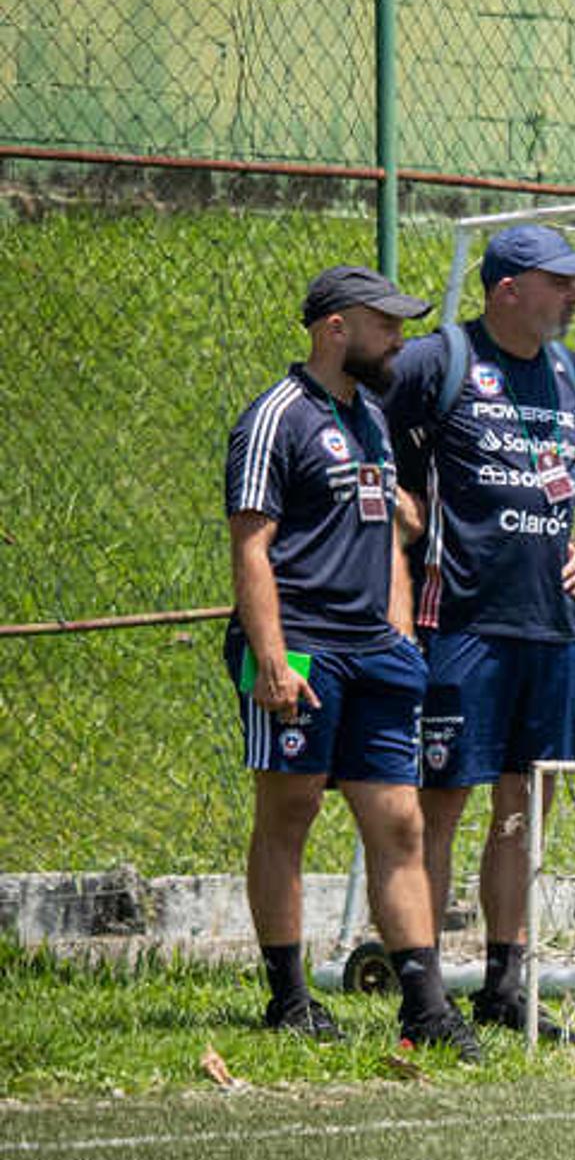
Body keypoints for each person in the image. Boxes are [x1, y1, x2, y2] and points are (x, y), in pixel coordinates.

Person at [383, 225, 575, 1042]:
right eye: (560, 281)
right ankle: (424, 993)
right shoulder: (439, 359)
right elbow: (356, 429)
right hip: (460, 623)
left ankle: (505, 983)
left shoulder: (567, 370)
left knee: (525, 806)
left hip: (550, 630)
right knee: (441, 806)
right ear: (508, 290)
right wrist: (403, 512)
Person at [225, 266, 480, 1062]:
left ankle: (426, 1006)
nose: (400, 338)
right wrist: (271, 656)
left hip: (375, 651)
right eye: (386, 324)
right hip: (297, 642)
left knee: (400, 819)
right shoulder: (275, 417)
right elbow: (250, 545)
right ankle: (289, 996)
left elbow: (392, 530)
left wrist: (400, 630)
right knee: (290, 811)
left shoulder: (370, 414)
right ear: (336, 327)